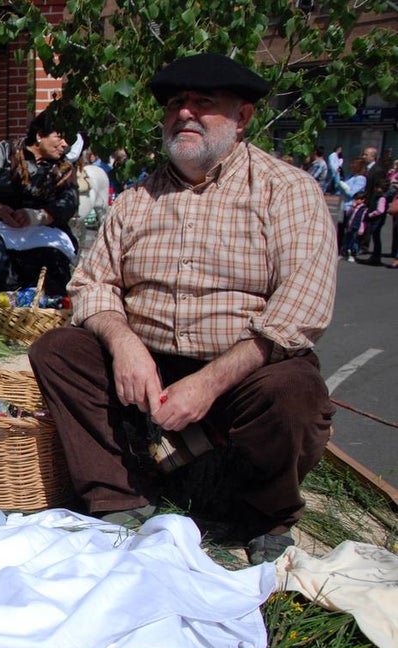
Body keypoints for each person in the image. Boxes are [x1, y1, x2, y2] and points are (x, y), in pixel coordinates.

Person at [28, 53, 336, 566]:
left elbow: (301, 308)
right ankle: (120, 494)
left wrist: (209, 383)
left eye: (203, 103)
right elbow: (91, 285)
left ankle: (265, 513)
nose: (185, 113)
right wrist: (124, 343)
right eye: (176, 103)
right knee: (59, 350)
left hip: (244, 371)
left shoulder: (288, 191)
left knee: (295, 389)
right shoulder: (136, 200)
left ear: (242, 118)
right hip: (147, 368)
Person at [0, 104, 79, 302]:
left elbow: (69, 202)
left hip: (41, 229)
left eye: (68, 140)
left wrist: (37, 216)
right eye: (60, 137)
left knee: (53, 256)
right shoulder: (7, 151)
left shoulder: (65, 169)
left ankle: (47, 311)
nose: (65, 144)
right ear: (40, 135)